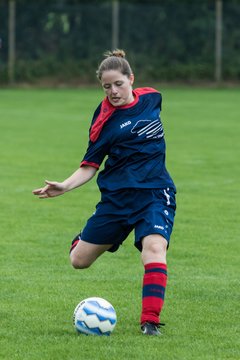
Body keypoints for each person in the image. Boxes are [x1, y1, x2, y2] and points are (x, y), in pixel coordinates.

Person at [33, 49, 176, 336]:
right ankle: (90, 237)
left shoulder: (152, 98)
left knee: (155, 248)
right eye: (106, 86)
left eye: (118, 84)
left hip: (156, 193)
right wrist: (64, 185)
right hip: (118, 199)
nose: (113, 91)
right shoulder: (103, 120)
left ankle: (150, 321)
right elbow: (89, 166)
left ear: (131, 79)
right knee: (79, 261)